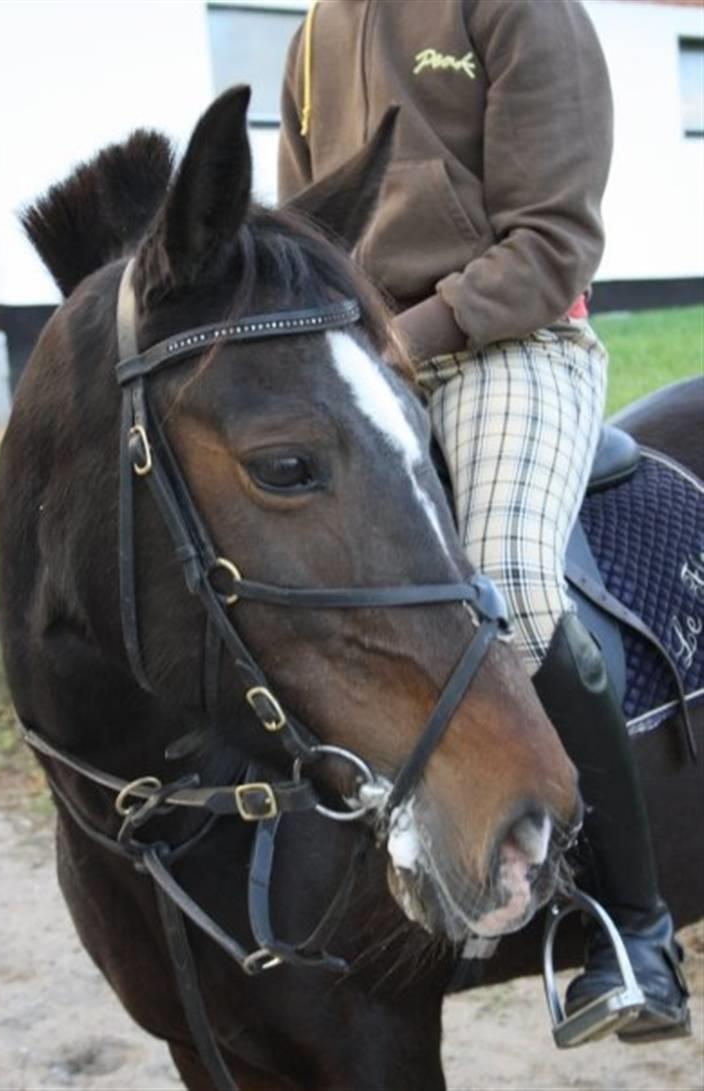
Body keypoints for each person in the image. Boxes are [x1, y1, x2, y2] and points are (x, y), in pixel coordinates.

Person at [278, 0, 690, 1044]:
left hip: (511, 346)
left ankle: (632, 929)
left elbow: (551, 241)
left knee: (505, 577)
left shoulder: (520, 9)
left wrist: (394, 342)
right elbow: (304, 240)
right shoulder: (314, 29)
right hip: (364, 360)